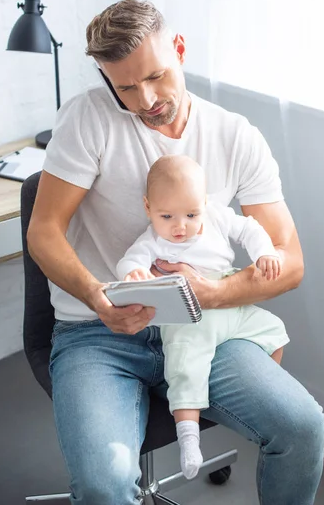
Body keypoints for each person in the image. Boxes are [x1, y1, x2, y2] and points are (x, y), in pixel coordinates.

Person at [28, 0, 324, 505]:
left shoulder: (234, 136)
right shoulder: (87, 119)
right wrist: (99, 296)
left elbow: (289, 261)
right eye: (124, 87)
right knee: (103, 485)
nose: (144, 100)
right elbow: (44, 231)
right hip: (97, 332)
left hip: (202, 328)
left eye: (155, 77)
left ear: (180, 50)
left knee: (302, 428)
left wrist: (209, 293)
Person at [116, 153, 290, 480]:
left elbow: (249, 229)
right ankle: (189, 438)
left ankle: (260, 393)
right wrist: (136, 273)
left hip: (227, 300)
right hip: (187, 315)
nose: (180, 226)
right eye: (167, 215)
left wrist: (265, 253)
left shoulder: (216, 217)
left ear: (205, 203)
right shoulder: (152, 239)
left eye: (191, 214)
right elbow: (129, 261)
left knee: (275, 330)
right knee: (185, 367)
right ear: (148, 207)